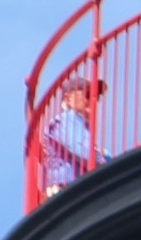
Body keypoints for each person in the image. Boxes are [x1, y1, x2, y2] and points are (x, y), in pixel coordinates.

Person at [35, 65, 99, 200]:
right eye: (87, 94)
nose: (92, 99)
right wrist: (105, 159)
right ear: (68, 98)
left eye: (95, 96)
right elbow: (81, 151)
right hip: (67, 190)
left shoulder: (79, 124)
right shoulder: (65, 120)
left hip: (76, 190)